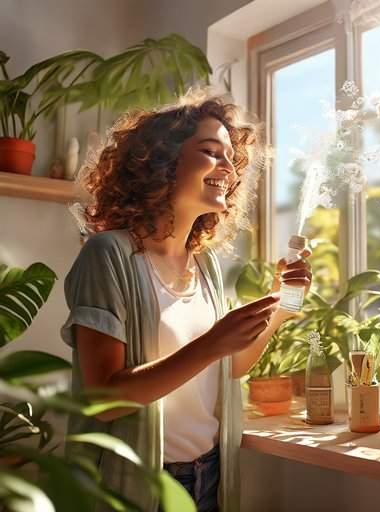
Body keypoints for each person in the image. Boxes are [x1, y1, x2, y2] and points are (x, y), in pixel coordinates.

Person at [61, 89, 312, 512]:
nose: (229, 169)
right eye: (212, 151)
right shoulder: (108, 254)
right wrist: (213, 342)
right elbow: (103, 400)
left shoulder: (207, 265)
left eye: (231, 157)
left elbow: (228, 366)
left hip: (208, 474)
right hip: (139, 484)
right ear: (161, 161)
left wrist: (281, 304)